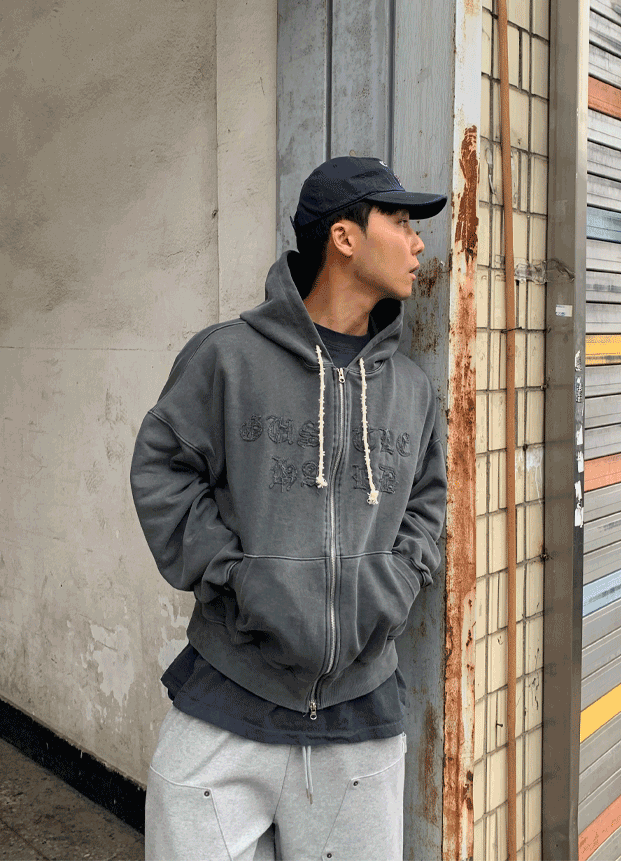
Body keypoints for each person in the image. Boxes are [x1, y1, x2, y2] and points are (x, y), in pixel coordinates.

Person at [130, 155, 448, 861]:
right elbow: (163, 469)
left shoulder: (408, 388)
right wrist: (235, 576)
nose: (417, 241)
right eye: (400, 221)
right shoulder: (227, 359)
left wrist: (394, 583)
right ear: (344, 237)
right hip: (228, 698)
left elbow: (427, 502)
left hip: (360, 719)